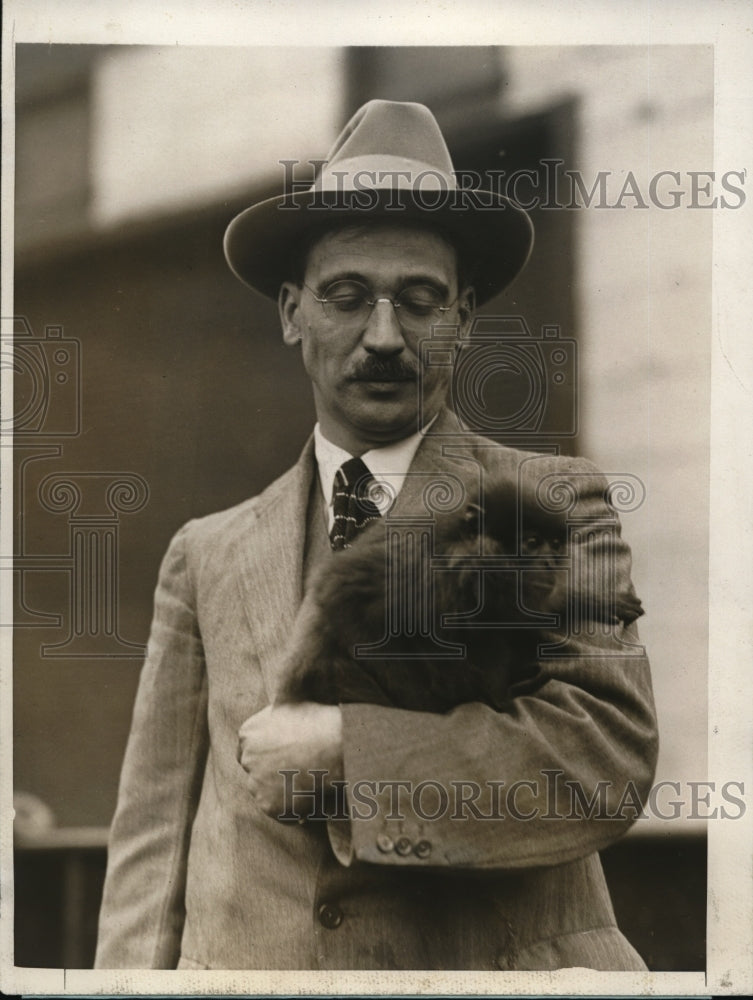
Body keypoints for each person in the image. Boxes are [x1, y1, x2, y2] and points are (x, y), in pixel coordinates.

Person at [95, 100, 658, 971]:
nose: (384, 337)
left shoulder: (553, 507)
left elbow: (601, 759)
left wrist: (345, 752)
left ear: (463, 319)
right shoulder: (205, 554)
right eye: (347, 297)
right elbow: (152, 843)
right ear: (292, 313)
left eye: (420, 300)